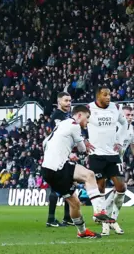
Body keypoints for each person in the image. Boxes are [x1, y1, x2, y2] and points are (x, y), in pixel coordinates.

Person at [41, 105, 113, 239]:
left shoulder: (61, 125)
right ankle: (98, 211)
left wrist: (66, 154)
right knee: (89, 175)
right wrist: (83, 146)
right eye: (87, 118)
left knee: (75, 203)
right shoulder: (74, 125)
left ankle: (82, 231)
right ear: (79, 115)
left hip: (46, 170)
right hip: (59, 167)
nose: (87, 122)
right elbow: (81, 149)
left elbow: (45, 143)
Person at [86, 86, 128, 236]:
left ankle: (113, 217)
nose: (108, 97)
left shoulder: (116, 108)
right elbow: (77, 125)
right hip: (96, 155)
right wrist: (83, 141)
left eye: (109, 94)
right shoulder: (88, 108)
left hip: (112, 154)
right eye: (105, 95)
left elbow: (125, 124)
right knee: (100, 188)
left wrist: (120, 141)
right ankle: (105, 223)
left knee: (121, 187)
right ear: (98, 96)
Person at [103, 106, 134, 235]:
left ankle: (110, 219)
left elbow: (133, 146)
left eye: (131, 115)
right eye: (127, 115)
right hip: (105, 160)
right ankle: (103, 216)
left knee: (121, 188)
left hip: (117, 162)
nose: (130, 117)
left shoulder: (132, 129)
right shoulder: (113, 126)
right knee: (102, 189)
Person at [46, 92, 73, 228]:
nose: (68, 103)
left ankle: (67, 217)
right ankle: (51, 219)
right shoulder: (57, 116)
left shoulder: (67, 116)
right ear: (59, 102)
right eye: (65, 100)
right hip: (57, 155)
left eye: (69, 100)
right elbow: (59, 135)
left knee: (68, 186)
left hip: (65, 154)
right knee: (56, 187)